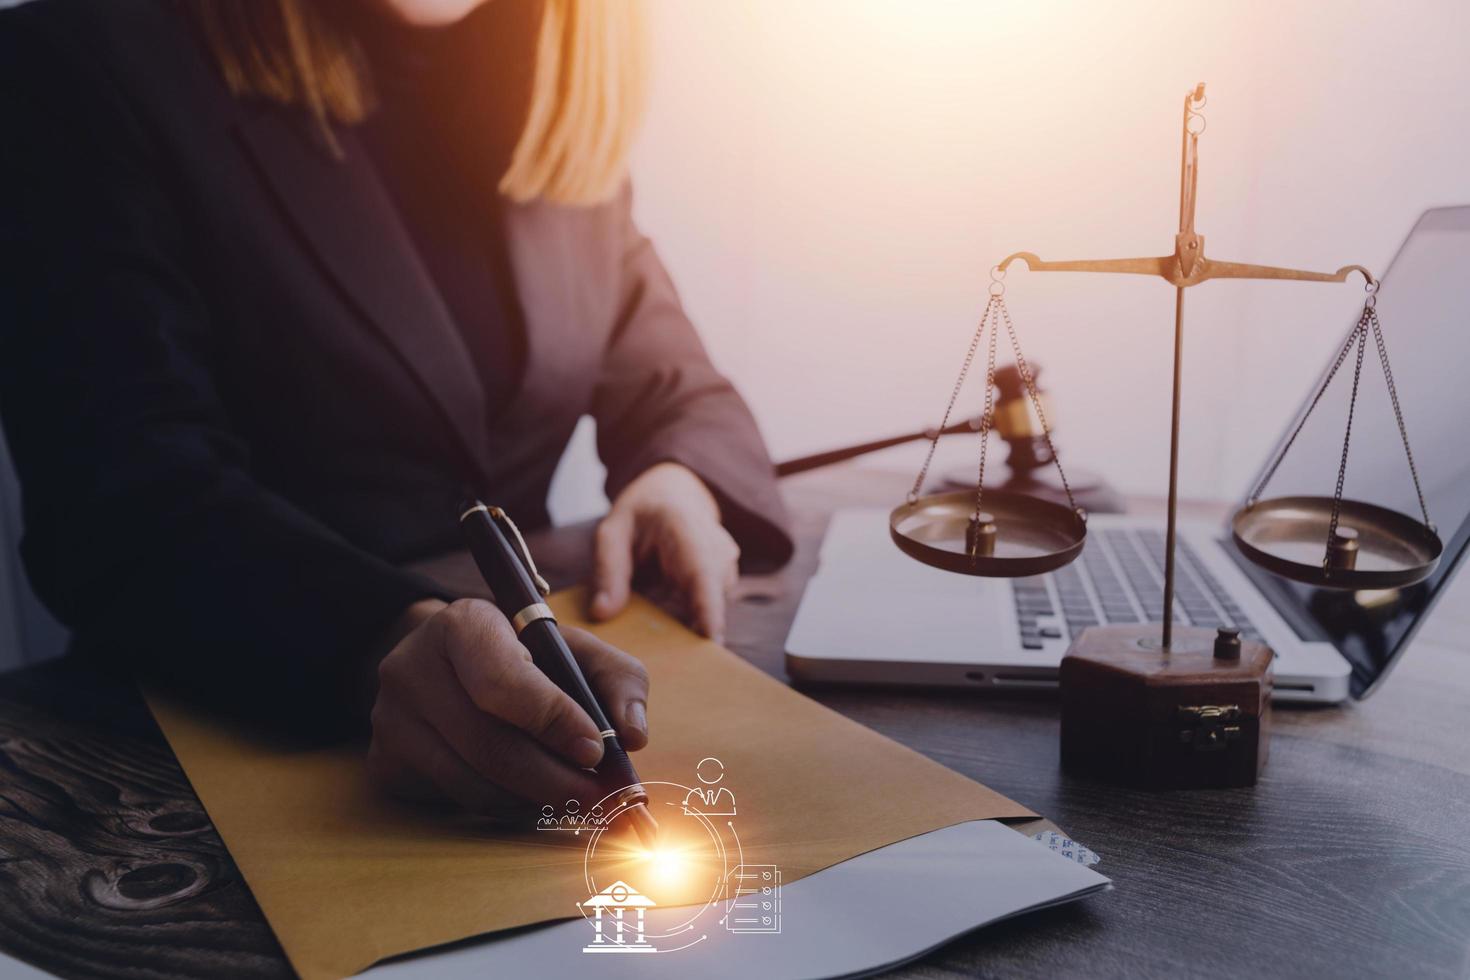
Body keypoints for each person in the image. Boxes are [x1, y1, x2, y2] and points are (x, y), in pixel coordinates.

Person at [0, 0, 792, 821]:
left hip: (531, 705)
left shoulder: (547, 71)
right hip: (200, 752)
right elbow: (121, 495)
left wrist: (678, 476)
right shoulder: (79, 61)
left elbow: (667, 370)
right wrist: (378, 633)